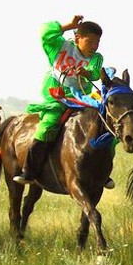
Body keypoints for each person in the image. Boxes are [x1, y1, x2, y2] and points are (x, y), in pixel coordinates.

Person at [14, 15, 114, 188]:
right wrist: (68, 25)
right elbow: (44, 32)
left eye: (97, 42)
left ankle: (103, 172)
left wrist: (87, 73)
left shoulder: (96, 57)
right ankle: (29, 171)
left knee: (107, 127)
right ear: (77, 38)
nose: (94, 46)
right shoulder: (60, 47)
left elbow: (96, 72)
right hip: (57, 94)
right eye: (90, 41)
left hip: (82, 99)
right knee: (49, 123)